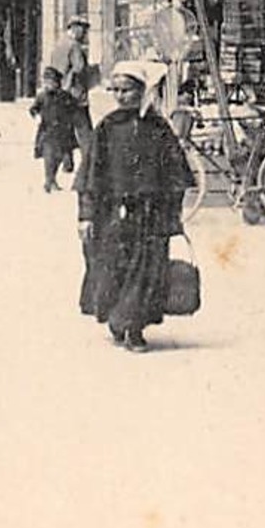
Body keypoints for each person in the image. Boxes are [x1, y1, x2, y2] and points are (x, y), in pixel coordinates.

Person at [75, 62, 195, 352]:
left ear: (141, 91)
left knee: (146, 269)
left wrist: (172, 212)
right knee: (115, 267)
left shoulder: (158, 128)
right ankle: (119, 321)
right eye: (115, 90)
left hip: (150, 215)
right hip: (113, 214)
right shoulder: (106, 128)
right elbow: (91, 175)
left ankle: (134, 327)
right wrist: (86, 215)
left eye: (126, 90)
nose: (120, 96)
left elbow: (175, 172)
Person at [47, 16, 97, 171]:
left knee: (66, 129)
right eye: (83, 29)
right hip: (75, 95)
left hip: (60, 94)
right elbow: (80, 68)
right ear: (75, 28)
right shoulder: (75, 46)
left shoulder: (59, 44)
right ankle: (90, 164)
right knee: (85, 131)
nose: (85, 34)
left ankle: (67, 163)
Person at [29, 67, 79, 193]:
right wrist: (37, 116)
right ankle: (49, 181)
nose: (48, 85)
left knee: (58, 158)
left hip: (63, 132)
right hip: (47, 131)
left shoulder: (65, 96)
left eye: (51, 82)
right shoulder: (42, 96)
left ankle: (52, 179)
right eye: (46, 82)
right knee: (49, 157)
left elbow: (74, 108)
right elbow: (33, 109)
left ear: (57, 83)